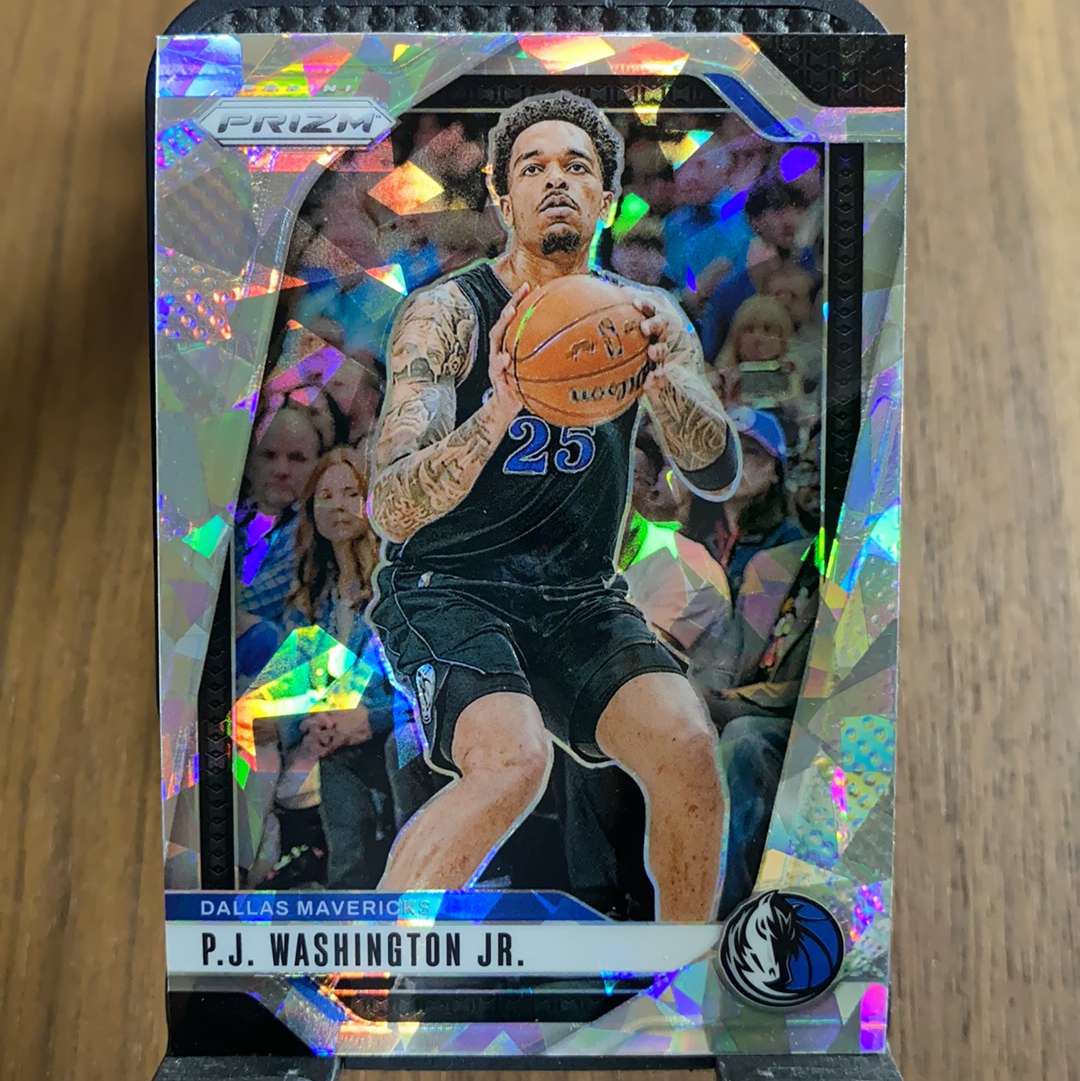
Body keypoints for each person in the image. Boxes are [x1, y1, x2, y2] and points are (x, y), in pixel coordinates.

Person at [366, 92, 740, 921]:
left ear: (608, 196)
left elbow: (714, 469)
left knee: (687, 745)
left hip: (578, 594)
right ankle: (362, 968)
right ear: (504, 200)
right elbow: (391, 507)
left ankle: (678, 979)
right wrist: (497, 412)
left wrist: (663, 382)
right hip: (450, 585)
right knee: (514, 761)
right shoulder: (446, 314)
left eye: (577, 166)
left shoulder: (648, 317)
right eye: (533, 167)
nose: (557, 180)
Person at [685, 407, 807, 598]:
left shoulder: (789, 543)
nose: (737, 461)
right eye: (727, 450)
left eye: (751, 452)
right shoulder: (692, 536)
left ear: (776, 470)